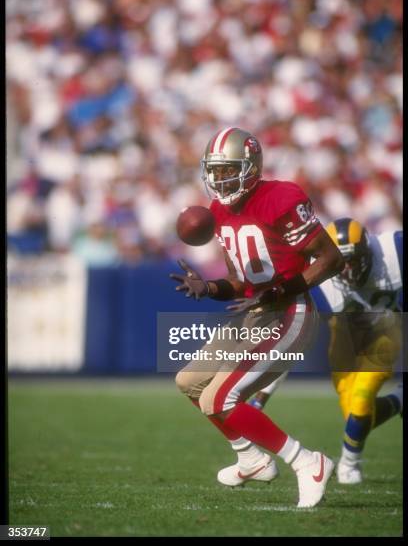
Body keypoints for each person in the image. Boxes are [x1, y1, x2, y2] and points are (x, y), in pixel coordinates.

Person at [170, 127, 345, 507]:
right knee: (190, 382)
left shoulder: (280, 198)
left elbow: (332, 259)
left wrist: (282, 290)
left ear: (251, 167)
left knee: (220, 397)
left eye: (227, 169)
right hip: (257, 312)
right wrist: (211, 288)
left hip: (291, 310)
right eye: (214, 171)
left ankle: (307, 462)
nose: (219, 179)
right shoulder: (219, 210)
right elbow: (239, 280)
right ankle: (250, 458)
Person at [232, 218, 403, 486]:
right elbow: (292, 344)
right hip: (346, 339)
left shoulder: (395, 250)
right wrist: (262, 397)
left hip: (386, 331)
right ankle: (399, 401)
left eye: (353, 261)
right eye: (340, 262)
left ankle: (349, 463)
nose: (345, 270)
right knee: (356, 416)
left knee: (362, 396)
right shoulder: (322, 285)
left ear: (368, 252)